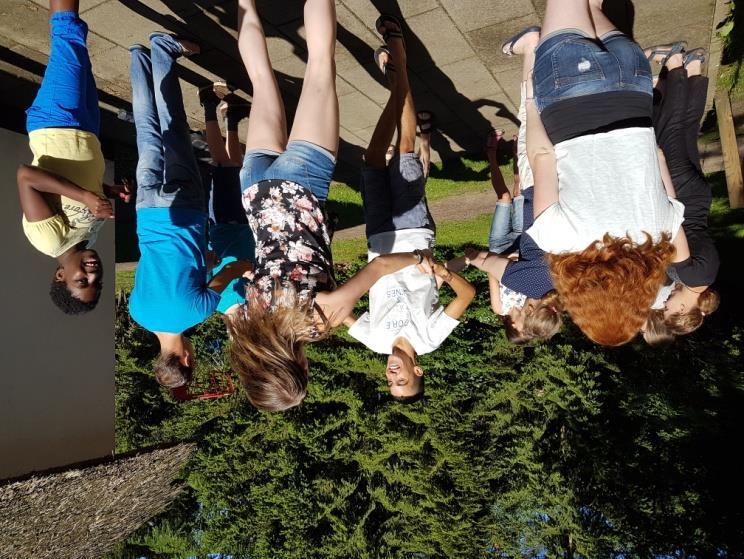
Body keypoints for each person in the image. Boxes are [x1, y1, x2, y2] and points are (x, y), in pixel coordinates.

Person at [226, 2, 433, 412]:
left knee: (321, 65)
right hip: (256, 195)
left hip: (302, 187)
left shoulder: (316, 322)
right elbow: (236, 273)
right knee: (262, 82)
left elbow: (378, 269)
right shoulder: (243, 321)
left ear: (296, 366)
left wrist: (419, 258)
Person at [504, 0, 690, 347]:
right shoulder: (557, 240)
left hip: (634, 84)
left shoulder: (664, 231)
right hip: (568, 91)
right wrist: (530, 99)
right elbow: (543, 156)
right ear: (582, 305)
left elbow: (659, 158)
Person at [345, 17, 475, 403]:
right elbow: (465, 296)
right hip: (412, 231)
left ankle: (396, 81)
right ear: (418, 371)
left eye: (389, 383)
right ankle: (398, 55)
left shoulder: (374, 341)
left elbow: (339, 315)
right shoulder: (429, 340)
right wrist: (439, 271)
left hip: (379, 238)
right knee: (404, 147)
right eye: (402, 381)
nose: (392, 376)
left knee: (370, 160)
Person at [128, 34, 249, 389]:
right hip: (148, 215)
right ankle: (139, 60)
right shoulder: (139, 313)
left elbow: (231, 272)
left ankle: (164, 51)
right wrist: (203, 262)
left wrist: (250, 268)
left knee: (174, 129)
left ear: (186, 358)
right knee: (147, 136)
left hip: (185, 212)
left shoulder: (197, 313)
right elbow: (162, 270)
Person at [17, 0, 130, 315]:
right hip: (86, 130)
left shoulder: (49, 241)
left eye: (82, 280)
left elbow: (26, 177)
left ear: (61, 276)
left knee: (68, 35)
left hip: (55, 123)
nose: (93, 273)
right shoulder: (87, 237)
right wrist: (107, 192)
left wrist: (84, 197)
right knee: (74, 46)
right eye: (98, 281)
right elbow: (79, 189)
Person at [449, 60, 560, 344]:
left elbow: (493, 268)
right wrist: (465, 262)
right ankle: (533, 55)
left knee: (511, 191)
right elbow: (489, 264)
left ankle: (498, 150)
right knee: (522, 171)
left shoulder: (555, 286)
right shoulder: (529, 285)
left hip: (518, 234)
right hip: (525, 228)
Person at [643, 47, 720, 345]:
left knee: (688, 131)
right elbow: (675, 222)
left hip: (700, 196)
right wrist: (662, 173)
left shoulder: (707, 277)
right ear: (684, 310)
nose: (665, 304)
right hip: (683, 192)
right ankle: (674, 62)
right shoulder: (688, 275)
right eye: (670, 308)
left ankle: (696, 67)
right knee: (669, 130)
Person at [198, 84, 256, 317]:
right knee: (236, 168)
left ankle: (208, 104)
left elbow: (204, 265)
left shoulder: (216, 301)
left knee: (222, 164)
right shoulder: (251, 299)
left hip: (224, 225)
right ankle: (232, 118)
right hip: (245, 224)